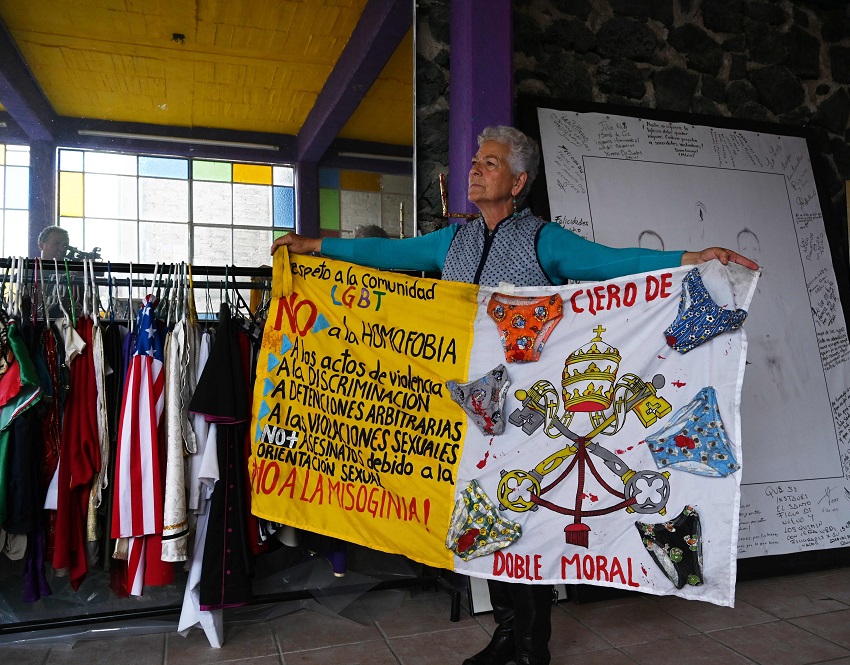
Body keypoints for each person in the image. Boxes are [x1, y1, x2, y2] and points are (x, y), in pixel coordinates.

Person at [272, 125, 759, 665]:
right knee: (485, 521)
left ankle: (532, 647)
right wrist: (315, 246)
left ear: (519, 180)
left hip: (526, 415)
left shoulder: (540, 240)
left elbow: (612, 262)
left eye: (491, 163)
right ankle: (507, 634)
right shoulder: (453, 241)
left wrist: (692, 259)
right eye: (476, 161)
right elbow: (385, 252)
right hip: (467, 409)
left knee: (525, 526)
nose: (476, 170)